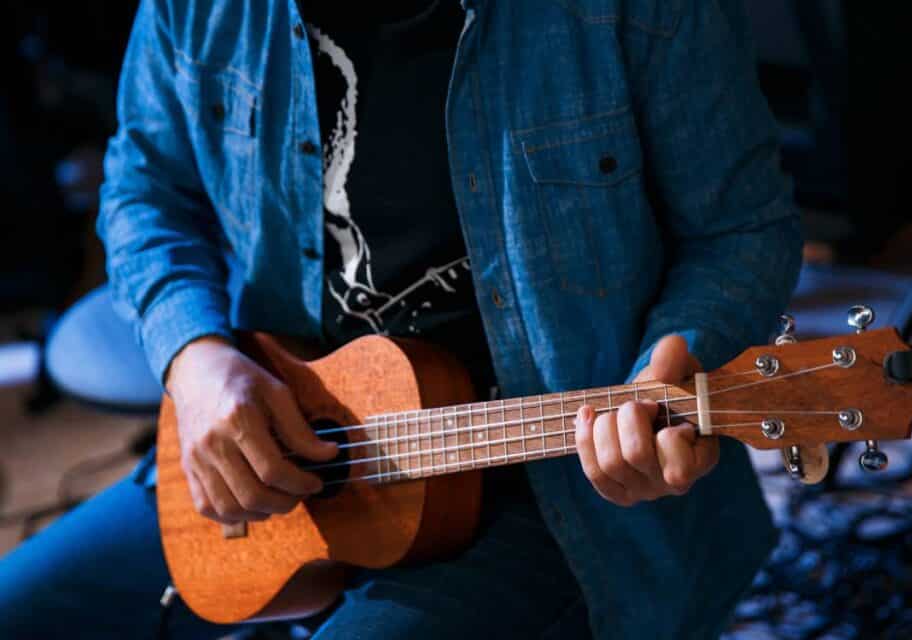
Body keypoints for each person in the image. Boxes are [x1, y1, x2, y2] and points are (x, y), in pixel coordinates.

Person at [0, 1, 802, 638]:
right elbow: (146, 190)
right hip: (285, 454)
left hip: (550, 494)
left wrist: (671, 367)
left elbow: (742, 230)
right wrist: (197, 359)